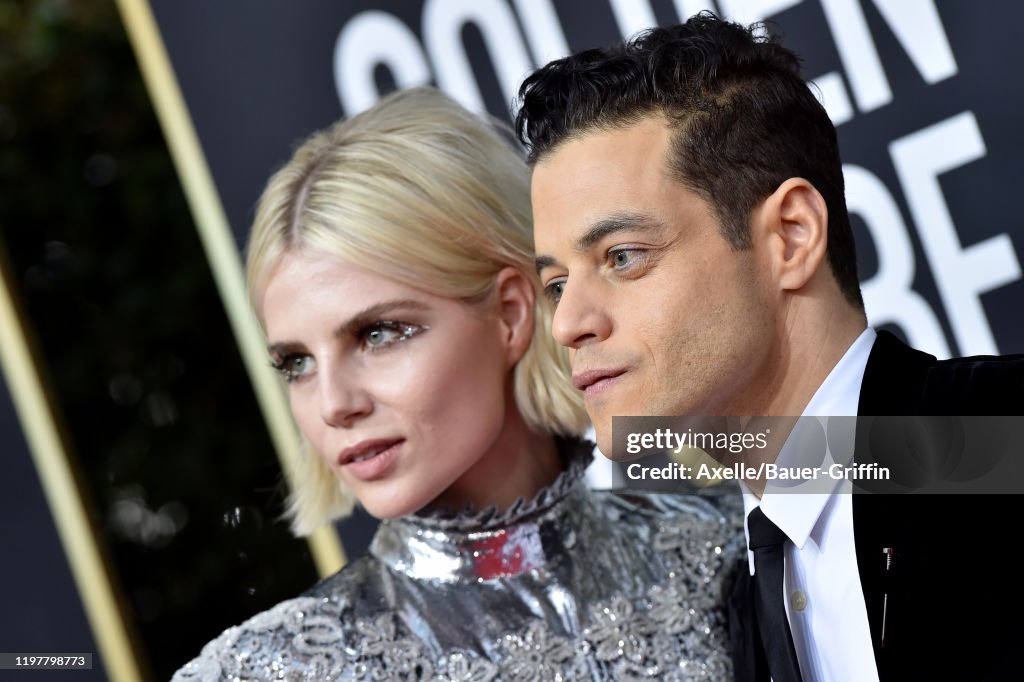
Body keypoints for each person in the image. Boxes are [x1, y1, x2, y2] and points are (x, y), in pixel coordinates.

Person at [516, 13, 1024, 682]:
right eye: (556, 284)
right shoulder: (711, 607)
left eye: (623, 256)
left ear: (790, 236)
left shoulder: (1004, 438)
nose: (568, 324)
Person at [173, 86, 743, 681]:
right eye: (297, 363)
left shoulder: (724, 539)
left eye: (378, 334)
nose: (334, 404)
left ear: (511, 314)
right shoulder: (264, 671)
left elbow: (847, 454)